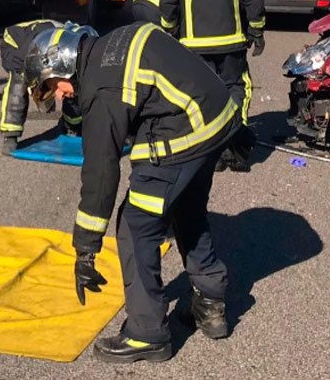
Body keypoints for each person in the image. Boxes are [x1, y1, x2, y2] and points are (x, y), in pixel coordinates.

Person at [23, 23, 240, 363]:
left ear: (63, 64)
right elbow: (184, 68)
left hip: (187, 131)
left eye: (54, 86)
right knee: (186, 209)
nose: (61, 95)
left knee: (136, 224)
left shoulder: (101, 88)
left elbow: (100, 172)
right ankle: (210, 306)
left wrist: (85, 249)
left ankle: (146, 334)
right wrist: (235, 131)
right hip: (217, 118)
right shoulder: (114, 43)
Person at [159, 0, 264, 172]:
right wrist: (257, 30)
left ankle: (211, 153)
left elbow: (168, 1)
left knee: (202, 97)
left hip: (192, 48)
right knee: (237, 89)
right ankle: (237, 150)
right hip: (232, 44)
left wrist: (169, 31)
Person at [0, 19, 82, 154]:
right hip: (16, 43)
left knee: (71, 83)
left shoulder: (71, 47)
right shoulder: (31, 52)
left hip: (48, 41)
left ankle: (72, 126)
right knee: (19, 81)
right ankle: (11, 133)